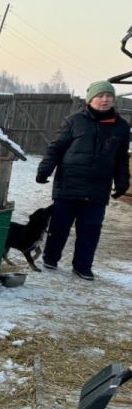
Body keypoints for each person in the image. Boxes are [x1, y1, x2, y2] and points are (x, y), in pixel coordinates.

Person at [37, 80, 130, 281]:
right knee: (60, 225)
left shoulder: (121, 127)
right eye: (100, 96)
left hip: (98, 188)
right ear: (91, 99)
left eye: (109, 96)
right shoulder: (74, 121)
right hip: (69, 184)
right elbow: (56, 147)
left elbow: (122, 158)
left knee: (91, 229)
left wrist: (123, 181)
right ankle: (50, 257)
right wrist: (45, 169)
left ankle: (82, 266)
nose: (104, 100)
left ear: (113, 99)